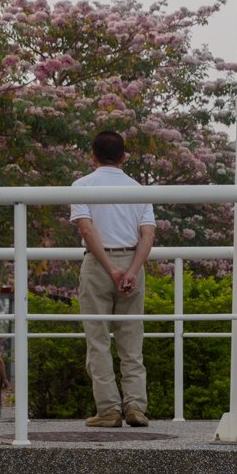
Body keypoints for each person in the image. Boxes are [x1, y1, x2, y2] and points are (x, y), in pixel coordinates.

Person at [70, 130, 156, 428]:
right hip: (133, 262)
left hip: (98, 264)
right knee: (131, 341)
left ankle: (108, 410)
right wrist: (130, 270)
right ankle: (136, 407)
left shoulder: (81, 186)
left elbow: (87, 230)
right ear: (124, 157)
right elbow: (148, 234)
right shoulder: (139, 189)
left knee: (98, 341)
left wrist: (110, 268)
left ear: (92, 156)